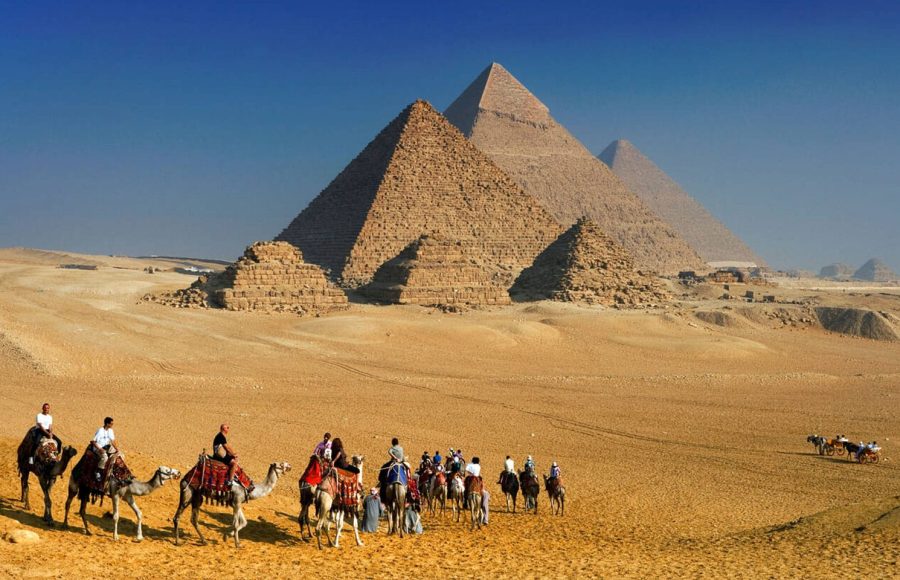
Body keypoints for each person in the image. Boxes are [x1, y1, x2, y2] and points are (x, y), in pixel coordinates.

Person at [91, 416, 119, 481]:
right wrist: (100, 449)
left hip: (107, 446)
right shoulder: (100, 431)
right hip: (98, 447)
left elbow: (112, 441)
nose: (112, 425)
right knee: (105, 457)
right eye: (111, 424)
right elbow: (93, 442)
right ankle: (98, 471)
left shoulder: (110, 431)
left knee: (119, 454)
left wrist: (116, 449)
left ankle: (113, 469)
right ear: (107, 424)